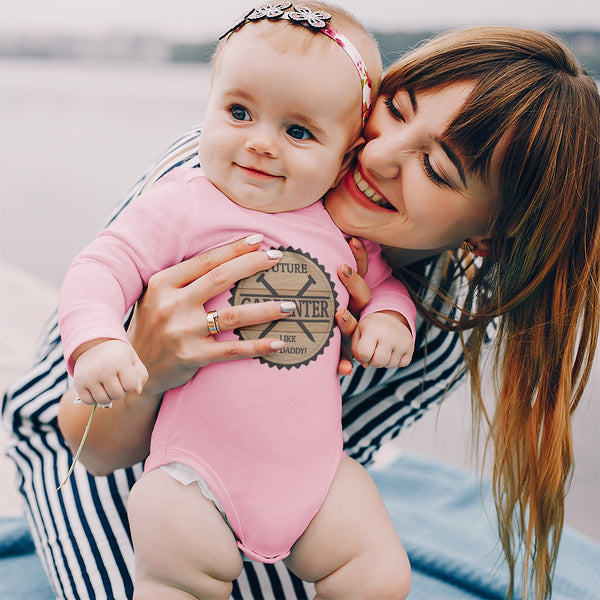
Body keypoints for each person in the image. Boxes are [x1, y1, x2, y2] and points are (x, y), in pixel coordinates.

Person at [3, 22, 599, 600]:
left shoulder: (436, 331)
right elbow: (93, 446)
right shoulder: (229, 168)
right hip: (86, 439)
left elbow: (310, 479)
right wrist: (150, 357)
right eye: (395, 110)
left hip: (255, 483)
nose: (379, 157)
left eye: (437, 170)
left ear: (487, 237)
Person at [57, 3, 414, 598]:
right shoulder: (186, 203)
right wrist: (97, 341)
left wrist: (388, 318)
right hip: (193, 476)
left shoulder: (333, 226)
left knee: (378, 571)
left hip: (315, 478)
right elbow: (100, 266)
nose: (259, 144)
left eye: (298, 131)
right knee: (178, 575)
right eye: (239, 112)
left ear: (347, 155)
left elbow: (383, 285)